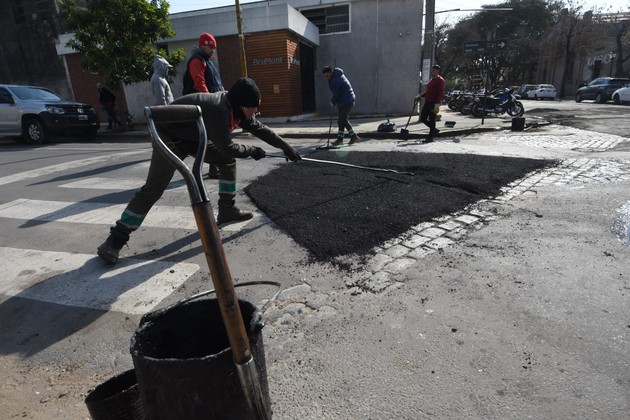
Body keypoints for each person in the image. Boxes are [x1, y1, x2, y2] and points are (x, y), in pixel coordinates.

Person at [97, 77, 302, 264]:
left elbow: (260, 128)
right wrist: (253, 151)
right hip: (168, 137)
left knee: (227, 162)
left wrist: (286, 147)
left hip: (193, 137)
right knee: (154, 188)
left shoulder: (236, 106)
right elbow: (228, 147)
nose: (256, 111)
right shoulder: (219, 110)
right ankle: (116, 239)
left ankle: (227, 210)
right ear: (242, 105)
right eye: (254, 107)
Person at [183, 32, 224, 178]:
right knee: (207, 139)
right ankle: (205, 169)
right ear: (202, 46)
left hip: (212, 104)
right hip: (205, 106)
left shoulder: (208, 61)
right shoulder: (197, 61)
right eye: (210, 47)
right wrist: (210, 103)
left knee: (212, 138)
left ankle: (214, 167)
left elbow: (216, 84)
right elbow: (200, 84)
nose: (213, 50)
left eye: (214, 48)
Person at [322, 66, 360, 146]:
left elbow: (337, 93)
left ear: (331, 72)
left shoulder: (335, 80)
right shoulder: (337, 76)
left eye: (327, 76)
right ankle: (340, 139)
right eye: (325, 77)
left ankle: (354, 136)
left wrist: (332, 101)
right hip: (345, 100)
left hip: (346, 101)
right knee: (340, 121)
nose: (326, 78)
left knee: (343, 120)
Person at [418, 64, 445, 144]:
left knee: (432, 119)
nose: (431, 72)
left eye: (433, 70)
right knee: (423, 118)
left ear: (437, 71)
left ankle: (430, 137)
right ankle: (434, 130)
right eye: (431, 70)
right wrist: (421, 96)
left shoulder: (440, 80)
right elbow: (428, 92)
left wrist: (437, 104)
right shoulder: (431, 80)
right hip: (427, 102)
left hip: (434, 103)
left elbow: (440, 93)